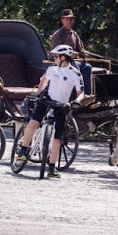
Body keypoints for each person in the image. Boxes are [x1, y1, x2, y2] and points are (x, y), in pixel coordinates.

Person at [17, 45, 84, 178]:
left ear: (63, 57)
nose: (54, 59)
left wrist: (76, 101)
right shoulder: (51, 69)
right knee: (33, 123)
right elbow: (43, 81)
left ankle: (52, 168)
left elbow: (81, 93)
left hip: (61, 105)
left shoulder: (75, 73)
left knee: (57, 139)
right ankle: (23, 151)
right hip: (46, 100)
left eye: (55, 57)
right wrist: (38, 95)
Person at [50, 9, 94, 105]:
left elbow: (80, 49)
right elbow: (54, 53)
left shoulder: (74, 34)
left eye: (71, 19)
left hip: (73, 62)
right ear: (62, 20)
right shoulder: (58, 35)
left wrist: (84, 52)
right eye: (67, 19)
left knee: (87, 67)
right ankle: (78, 95)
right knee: (76, 68)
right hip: (62, 64)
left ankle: (87, 94)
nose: (69, 21)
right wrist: (68, 54)